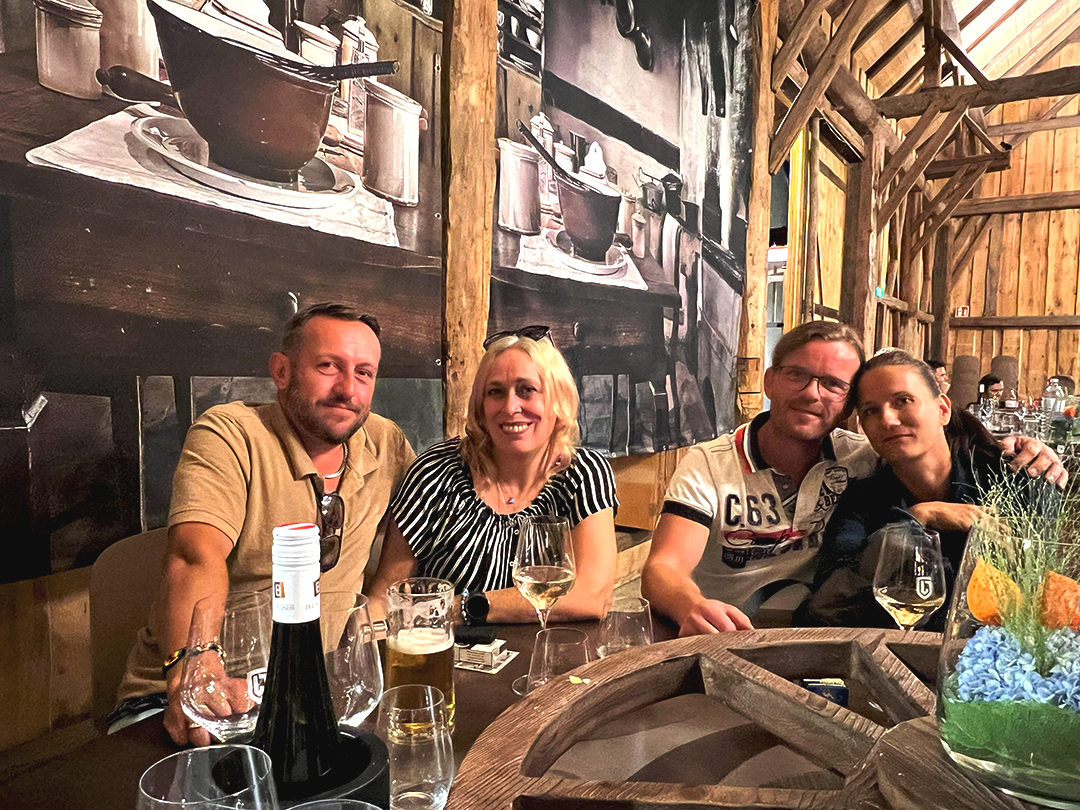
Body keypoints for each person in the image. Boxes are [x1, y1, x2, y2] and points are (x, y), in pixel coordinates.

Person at [111, 303, 415, 746]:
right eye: (328, 367)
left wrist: (375, 614)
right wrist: (197, 672)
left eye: (364, 373)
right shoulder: (230, 435)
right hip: (187, 701)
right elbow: (194, 557)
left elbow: (416, 532)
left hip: (317, 695)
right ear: (282, 371)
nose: (348, 389)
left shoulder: (386, 443)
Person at [641, 322, 1067, 638]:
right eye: (797, 375)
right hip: (731, 629)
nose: (812, 393)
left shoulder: (860, 458)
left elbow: (1053, 575)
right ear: (770, 381)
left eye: (832, 384)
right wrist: (691, 606)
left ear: (845, 406)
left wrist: (1029, 450)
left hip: (849, 640)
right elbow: (664, 566)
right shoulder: (712, 463)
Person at [367, 327, 617, 625]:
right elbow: (386, 598)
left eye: (526, 389)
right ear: (480, 405)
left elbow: (593, 596)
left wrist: (464, 607)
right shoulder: (436, 472)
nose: (510, 407)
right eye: (495, 392)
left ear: (557, 400)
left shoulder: (583, 473)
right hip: (444, 651)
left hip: (550, 652)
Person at [804, 350, 1058, 631]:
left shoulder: (1013, 477)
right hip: (903, 651)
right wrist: (917, 519)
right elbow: (829, 602)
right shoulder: (863, 498)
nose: (887, 419)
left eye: (903, 401)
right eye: (870, 411)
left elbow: (1053, 585)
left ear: (943, 410)